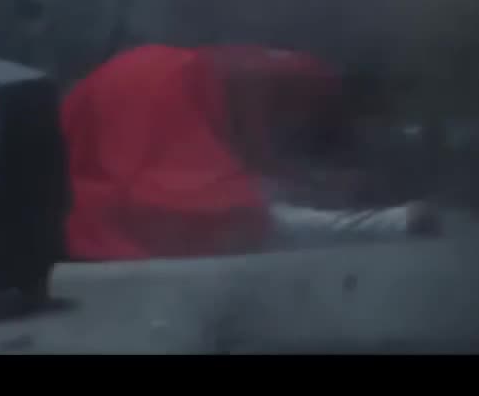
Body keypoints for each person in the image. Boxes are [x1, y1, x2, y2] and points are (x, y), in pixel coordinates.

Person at [62, 44, 439, 261]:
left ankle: (392, 221)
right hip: (157, 81)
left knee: (222, 209)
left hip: (152, 88)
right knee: (222, 210)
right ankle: (393, 221)